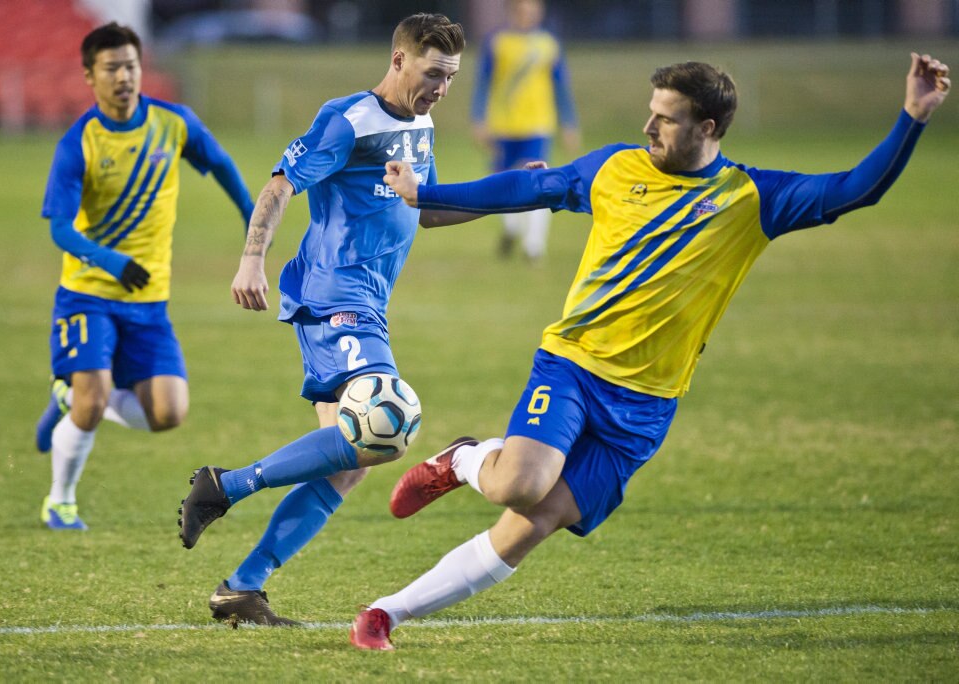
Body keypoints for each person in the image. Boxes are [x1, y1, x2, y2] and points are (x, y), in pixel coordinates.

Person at [349, 53, 951, 650]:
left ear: (707, 128)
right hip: (574, 364)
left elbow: (855, 189)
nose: (648, 127)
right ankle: (464, 461)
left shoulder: (752, 199)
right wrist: (427, 192)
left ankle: (384, 613)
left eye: (665, 118)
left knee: (532, 525)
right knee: (519, 486)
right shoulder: (616, 167)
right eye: (651, 112)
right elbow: (534, 184)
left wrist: (912, 117)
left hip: (645, 406)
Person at [177, 13, 469, 627]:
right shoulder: (350, 119)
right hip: (338, 295)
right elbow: (282, 184)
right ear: (398, 61)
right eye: (433, 73)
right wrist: (252, 258)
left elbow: (430, 209)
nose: (442, 87)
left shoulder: (424, 124)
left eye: (451, 77)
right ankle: (226, 486)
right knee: (389, 423)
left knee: (350, 462)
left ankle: (242, 586)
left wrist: (511, 193)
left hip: (368, 304)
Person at [35, 22, 255, 530]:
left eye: (131, 65)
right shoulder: (79, 143)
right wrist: (112, 262)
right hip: (87, 294)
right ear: (90, 76)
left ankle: (68, 394)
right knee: (90, 407)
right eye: (111, 68)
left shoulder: (174, 124)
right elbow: (62, 232)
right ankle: (60, 500)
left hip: (150, 300)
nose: (124, 76)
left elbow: (221, 164)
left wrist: (251, 220)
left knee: (168, 414)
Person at [471, 0, 580, 262]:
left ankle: (534, 245)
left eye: (534, 11)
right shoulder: (497, 41)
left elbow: (560, 86)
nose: (529, 16)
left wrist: (569, 123)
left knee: (538, 179)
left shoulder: (548, 44)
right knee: (504, 179)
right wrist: (478, 119)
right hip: (503, 123)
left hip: (537, 123)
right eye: (523, 10)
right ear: (512, 11)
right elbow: (483, 82)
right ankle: (511, 228)